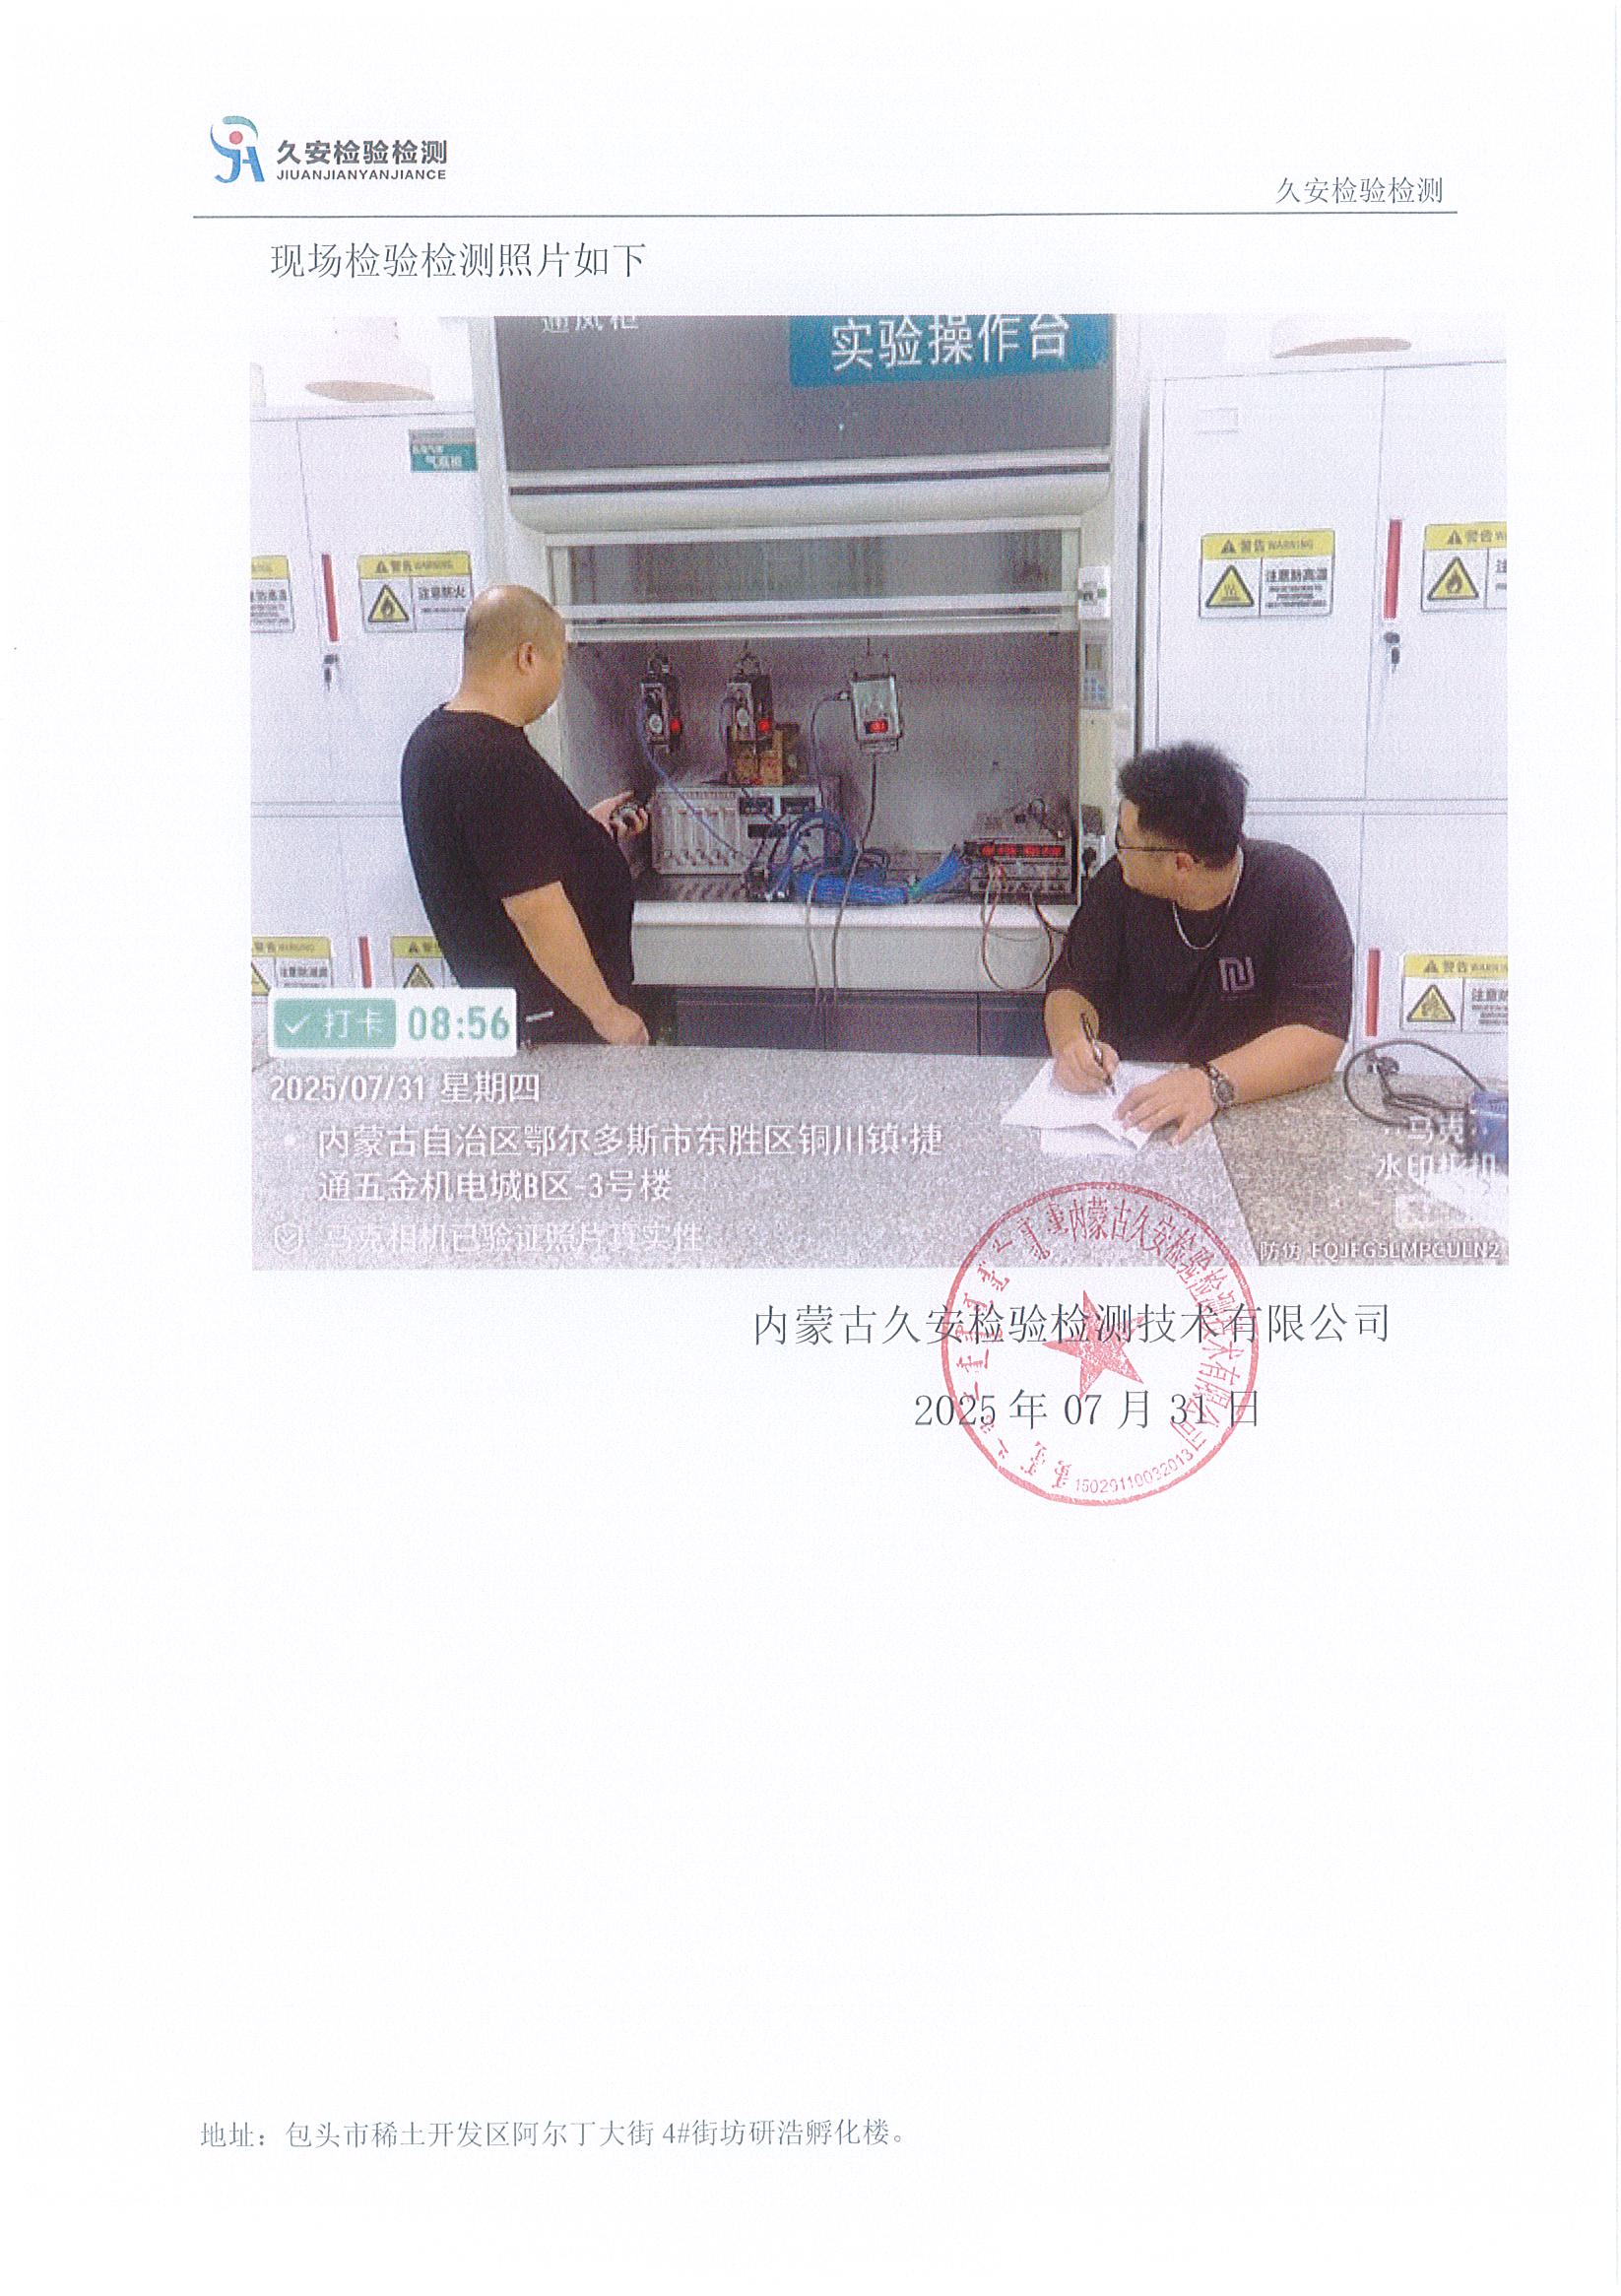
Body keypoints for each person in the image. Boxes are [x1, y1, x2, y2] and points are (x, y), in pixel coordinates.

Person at [1044, 743, 1352, 1143]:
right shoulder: (1117, 886)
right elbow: (1072, 987)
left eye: (1124, 841)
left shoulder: (1295, 889)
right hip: (1132, 1113)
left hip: (1250, 1110)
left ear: (1181, 864)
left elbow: (1319, 1036)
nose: (1118, 854)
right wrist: (1072, 1045)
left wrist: (1210, 1084)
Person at [401, 586, 650, 1047]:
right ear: (528, 657)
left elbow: (504, 856)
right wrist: (609, 1016)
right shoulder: (489, 757)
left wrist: (584, 834)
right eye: (560, 662)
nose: (559, 679)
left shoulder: (434, 741)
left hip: (525, 1021)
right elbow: (535, 910)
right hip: (556, 1030)